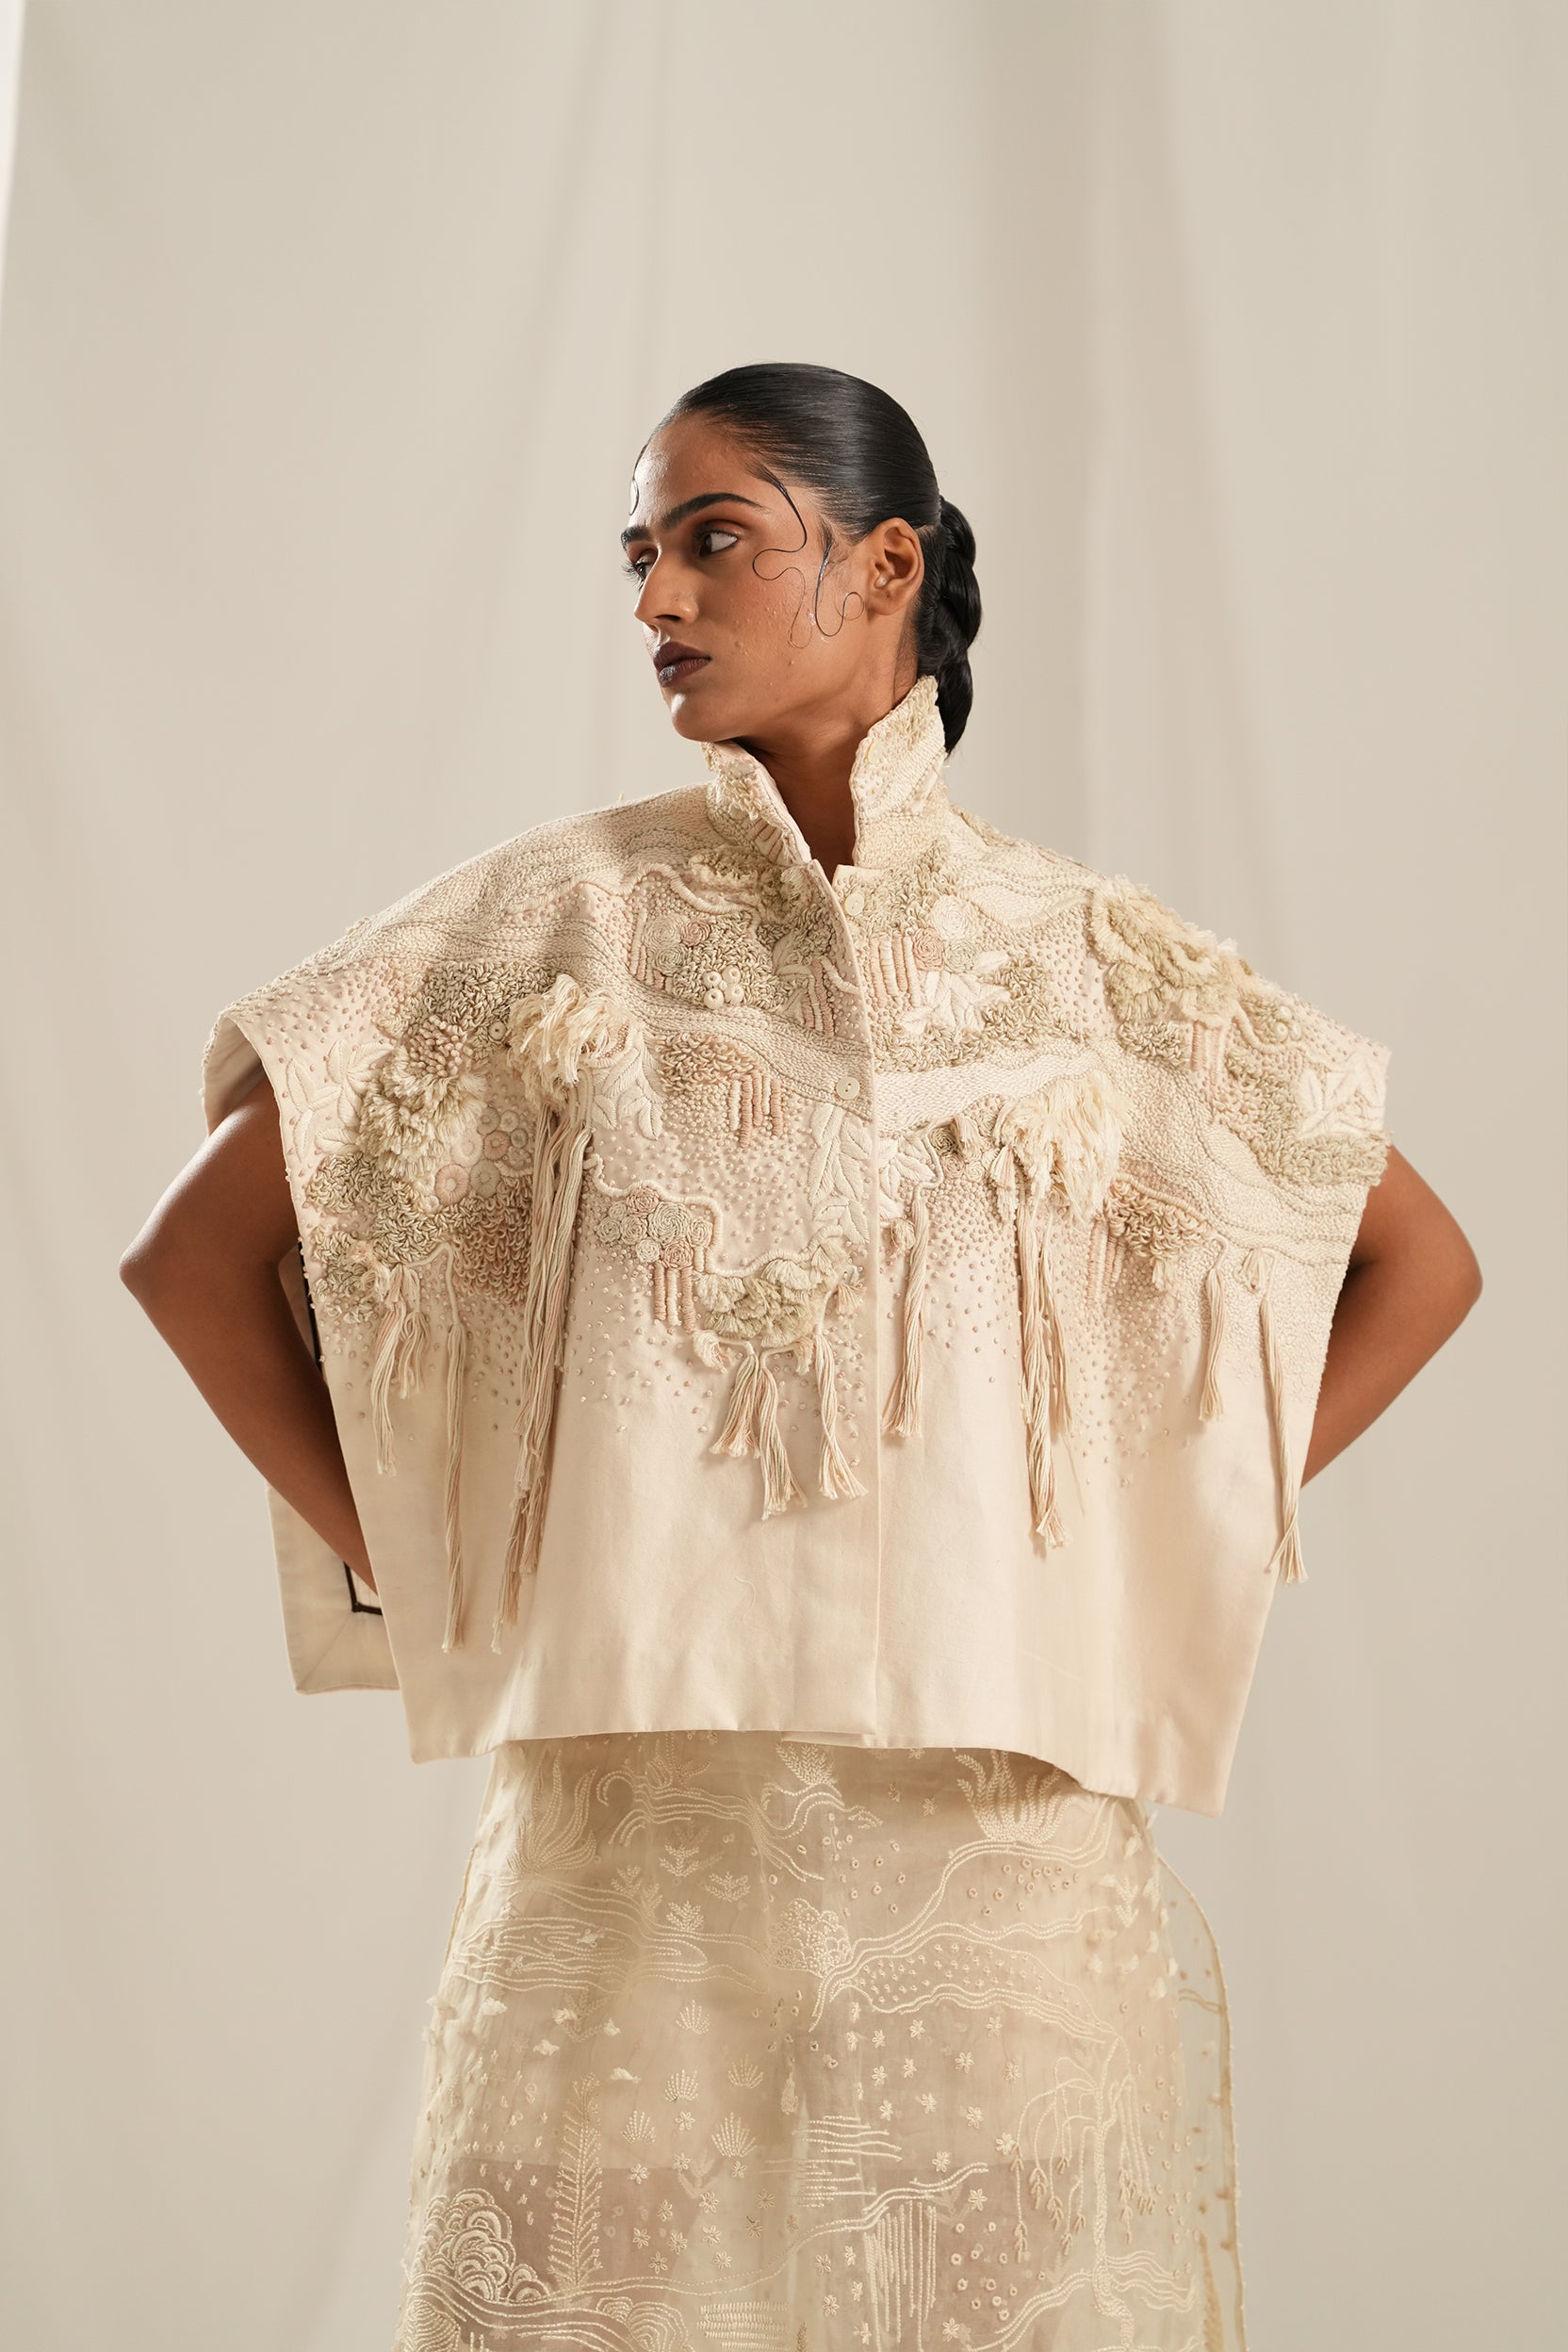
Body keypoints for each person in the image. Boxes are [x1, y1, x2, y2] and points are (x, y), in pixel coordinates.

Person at [122, 363, 1479, 2348]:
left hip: (1005, 1856)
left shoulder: (1085, 955)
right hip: (633, 1858)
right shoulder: (553, 919)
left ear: (885, 566)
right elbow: (191, 1256)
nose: (658, 599)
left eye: (715, 541)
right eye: (639, 556)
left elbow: (1417, 1264)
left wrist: (1143, 1532)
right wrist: (411, 1551)